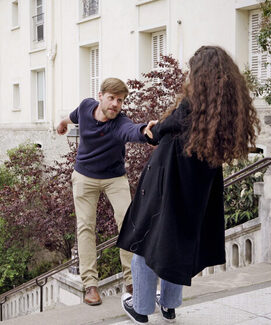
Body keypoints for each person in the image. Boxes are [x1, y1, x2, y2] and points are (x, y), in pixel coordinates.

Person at [117, 45, 260, 323]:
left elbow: (157, 131)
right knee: (178, 241)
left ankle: (142, 308)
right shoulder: (225, 113)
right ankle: (168, 305)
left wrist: (150, 130)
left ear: (200, 75)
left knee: (145, 239)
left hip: (167, 183)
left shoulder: (189, 108)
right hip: (197, 189)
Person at [56, 77, 154, 306]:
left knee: (128, 222)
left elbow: (132, 130)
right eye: (111, 98)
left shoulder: (119, 123)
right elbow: (73, 116)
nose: (115, 104)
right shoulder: (85, 106)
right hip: (84, 177)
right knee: (85, 227)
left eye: (120, 101)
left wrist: (147, 132)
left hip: (114, 178)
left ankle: (131, 281)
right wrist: (63, 122)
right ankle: (90, 285)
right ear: (100, 96)